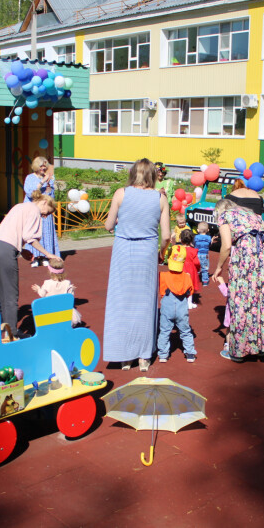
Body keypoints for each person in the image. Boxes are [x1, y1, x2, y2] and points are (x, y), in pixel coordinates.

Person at [103, 158, 170, 372]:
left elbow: (108, 225)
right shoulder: (160, 198)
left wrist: (120, 222)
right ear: (153, 175)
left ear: (133, 173)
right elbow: (166, 236)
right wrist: (161, 253)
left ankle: (124, 356)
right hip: (147, 251)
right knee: (145, 302)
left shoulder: (120, 193)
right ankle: (143, 356)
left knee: (121, 301)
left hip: (123, 250)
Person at [211, 198, 264, 362]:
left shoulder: (225, 216)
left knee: (241, 301)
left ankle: (239, 350)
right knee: (261, 301)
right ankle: (261, 346)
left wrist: (219, 267)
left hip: (246, 257)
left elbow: (226, 245)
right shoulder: (253, 214)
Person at [0, 192, 59, 338]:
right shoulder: (34, 210)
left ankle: (5, 329)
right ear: (45, 202)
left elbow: (12, 231)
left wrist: (21, 250)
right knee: (11, 295)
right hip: (5, 250)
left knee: (3, 292)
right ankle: (12, 333)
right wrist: (48, 254)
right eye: (47, 213)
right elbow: (30, 237)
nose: (45, 216)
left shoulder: (20, 206)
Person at [157, 245, 196, 364]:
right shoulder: (186, 277)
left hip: (167, 307)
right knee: (185, 330)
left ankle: (163, 354)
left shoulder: (163, 276)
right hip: (181, 308)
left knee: (164, 331)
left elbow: (161, 291)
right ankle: (190, 353)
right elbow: (190, 292)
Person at [24, 156, 60, 266]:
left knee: (46, 232)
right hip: (33, 210)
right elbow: (30, 193)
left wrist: (49, 189)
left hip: (45, 211)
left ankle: (45, 256)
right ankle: (34, 257)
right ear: (36, 166)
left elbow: (51, 197)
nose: (43, 169)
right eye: (41, 166)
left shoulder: (49, 179)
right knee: (33, 233)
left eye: (45, 166)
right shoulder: (30, 178)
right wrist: (41, 183)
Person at [31, 258, 81, 327]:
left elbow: (42, 294)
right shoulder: (67, 283)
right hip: (63, 309)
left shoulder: (47, 283)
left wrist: (38, 289)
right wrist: (72, 290)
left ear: (50, 271)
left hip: (50, 309)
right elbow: (70, 297)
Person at [179, 229, 201, 309]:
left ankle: (181, 302)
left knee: (181, 285)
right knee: (190, 287)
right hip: (191, 270)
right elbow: (196, 262)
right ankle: (189, 303)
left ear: (181, 239)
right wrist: (198, 269)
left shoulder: (179, 249)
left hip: (180, 268)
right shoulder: (193, 251)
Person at [194, 222, 212, 286]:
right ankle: (205, 281)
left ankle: (195, 279)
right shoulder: (209, 237)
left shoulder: (196, 237)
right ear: (208, 230)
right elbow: (209, 244)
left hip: (197, 254)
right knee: (205, 268)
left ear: (198, 230)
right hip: (205, 254)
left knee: (196, 268)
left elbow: (194, 244)